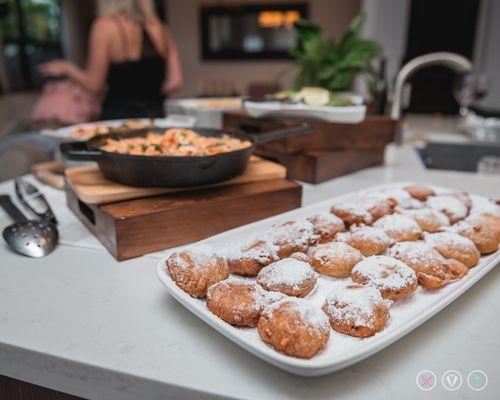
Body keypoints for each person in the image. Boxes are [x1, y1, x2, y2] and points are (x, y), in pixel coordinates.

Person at [38, 0, 183, 119]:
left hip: (118, 120)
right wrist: (149, 92)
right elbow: (176, 82)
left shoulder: (104, 26)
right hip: (156, 116)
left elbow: (95, 87)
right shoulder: (160, 28)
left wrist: (69, 69)